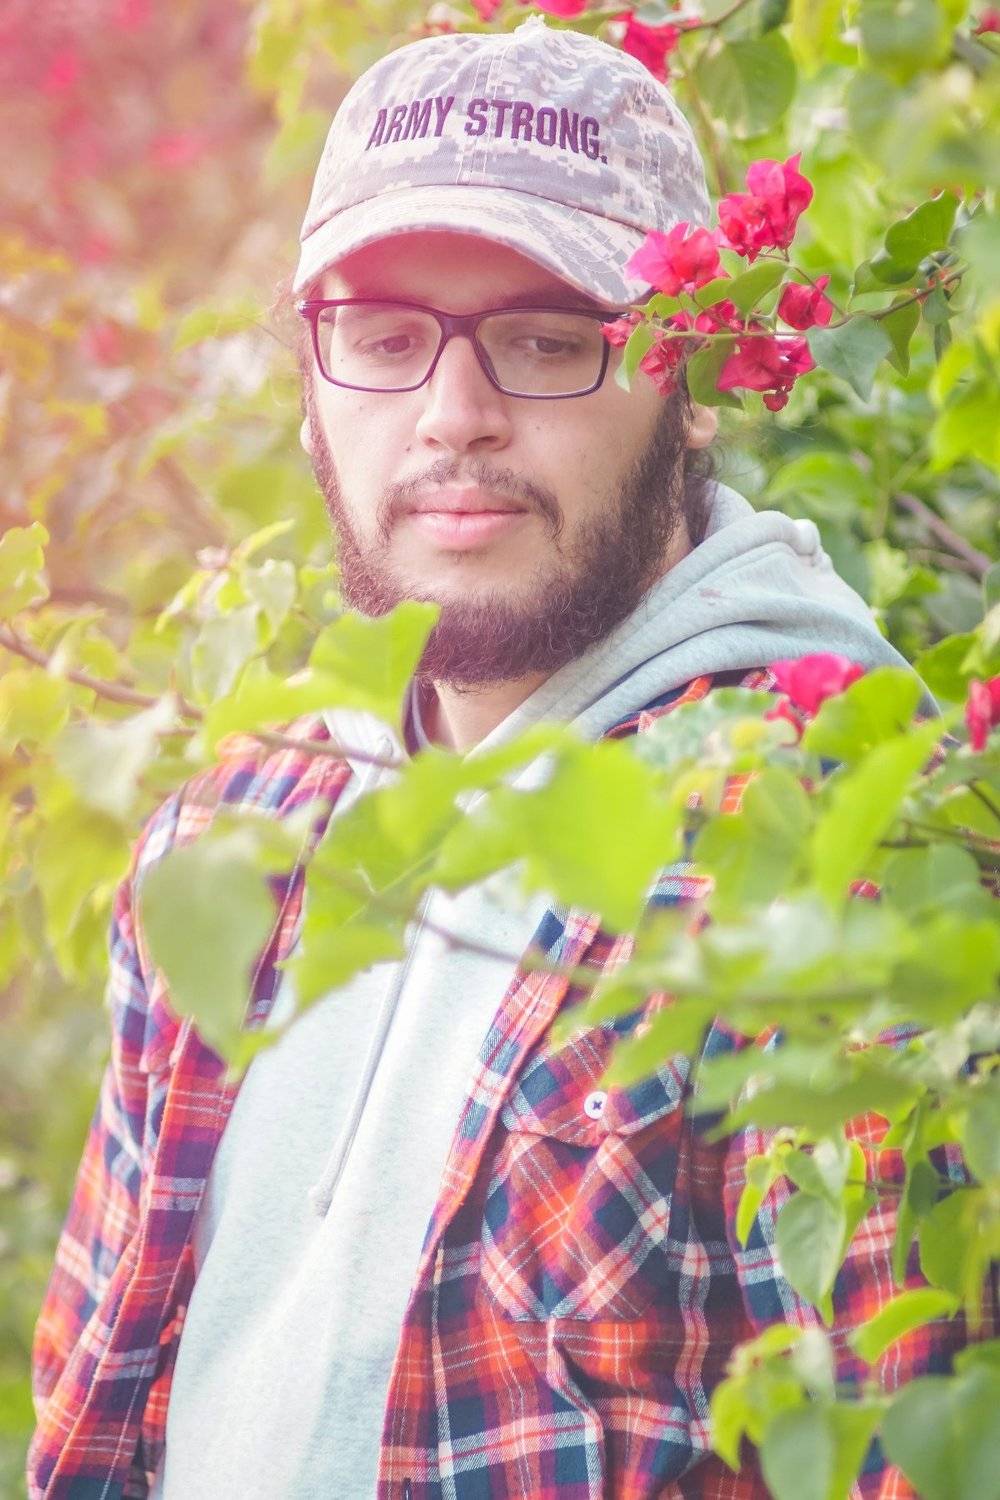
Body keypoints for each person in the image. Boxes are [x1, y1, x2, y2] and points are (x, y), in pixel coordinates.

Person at [28, 17, 966, 1499]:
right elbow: (91, 1430)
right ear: (312, 386)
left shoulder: (821, 840)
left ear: (691, 382)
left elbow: (903, 1447)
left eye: (545, 340)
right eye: (384, 338)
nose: (454, 418)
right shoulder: (231, 844)